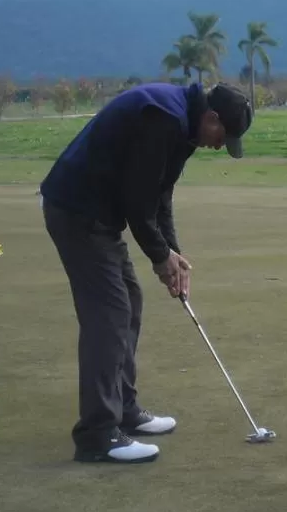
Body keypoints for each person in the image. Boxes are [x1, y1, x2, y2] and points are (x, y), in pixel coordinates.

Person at [39, 80, 253, 464]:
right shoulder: (164, 118)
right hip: (77, 210)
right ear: (212, 117)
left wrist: (173, 254)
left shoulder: (186, 130)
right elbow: (137, 201)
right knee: (110, 314)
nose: (220, 146)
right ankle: (97, 436)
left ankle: (123, 410)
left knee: (129, 301)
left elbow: (160, 198)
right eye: (223, 136)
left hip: (99, 215)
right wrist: (159, 257)